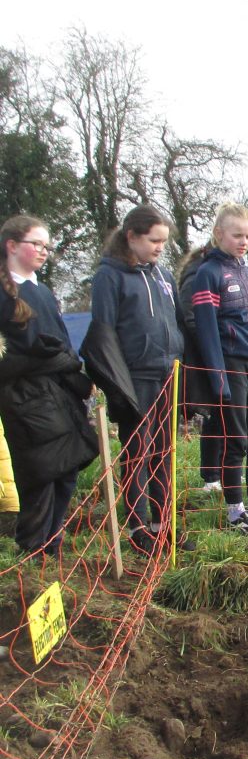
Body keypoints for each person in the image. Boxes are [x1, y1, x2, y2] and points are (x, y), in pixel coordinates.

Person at [85, 204, 191, 556]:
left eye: (164, 241)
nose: (160, 247)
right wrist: (116, 383)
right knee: (138, 452)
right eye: (153, 240)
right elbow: (103, 332)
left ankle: (165, 526)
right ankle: (139, 527)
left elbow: (177, 320)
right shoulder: (109, 276)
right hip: (135, 376)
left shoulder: (162, 275)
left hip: (168, 372)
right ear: (131, 237)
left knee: (165, 452)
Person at [0, 215, 99, 556]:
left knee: (67, 467)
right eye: (36, 244)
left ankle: (51, 544)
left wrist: (73, 374)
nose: (43, 251)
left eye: (47, 246)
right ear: (12, 245)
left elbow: (59, 341)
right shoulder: (3, 291)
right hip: (24, 396)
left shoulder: (41, 290)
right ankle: (31, 550)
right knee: (42, 473)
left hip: (58, 391)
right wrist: (39, 359)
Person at [191, 203, 248, 532]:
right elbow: (207, 330)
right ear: (219, 234)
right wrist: (218, 377)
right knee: (236, 440)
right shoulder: (207, 273)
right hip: (230, 364)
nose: (244, 241)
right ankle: (235, 512)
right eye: (237, 234)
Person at [178, 241, 225, 493]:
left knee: (223, 415)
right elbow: (192, 316)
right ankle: (211, 477)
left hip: (220, 354)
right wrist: (215, 347)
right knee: (215, 415)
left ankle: (220, 474)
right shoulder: (198, 273)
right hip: (203, 358)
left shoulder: (220, 269)